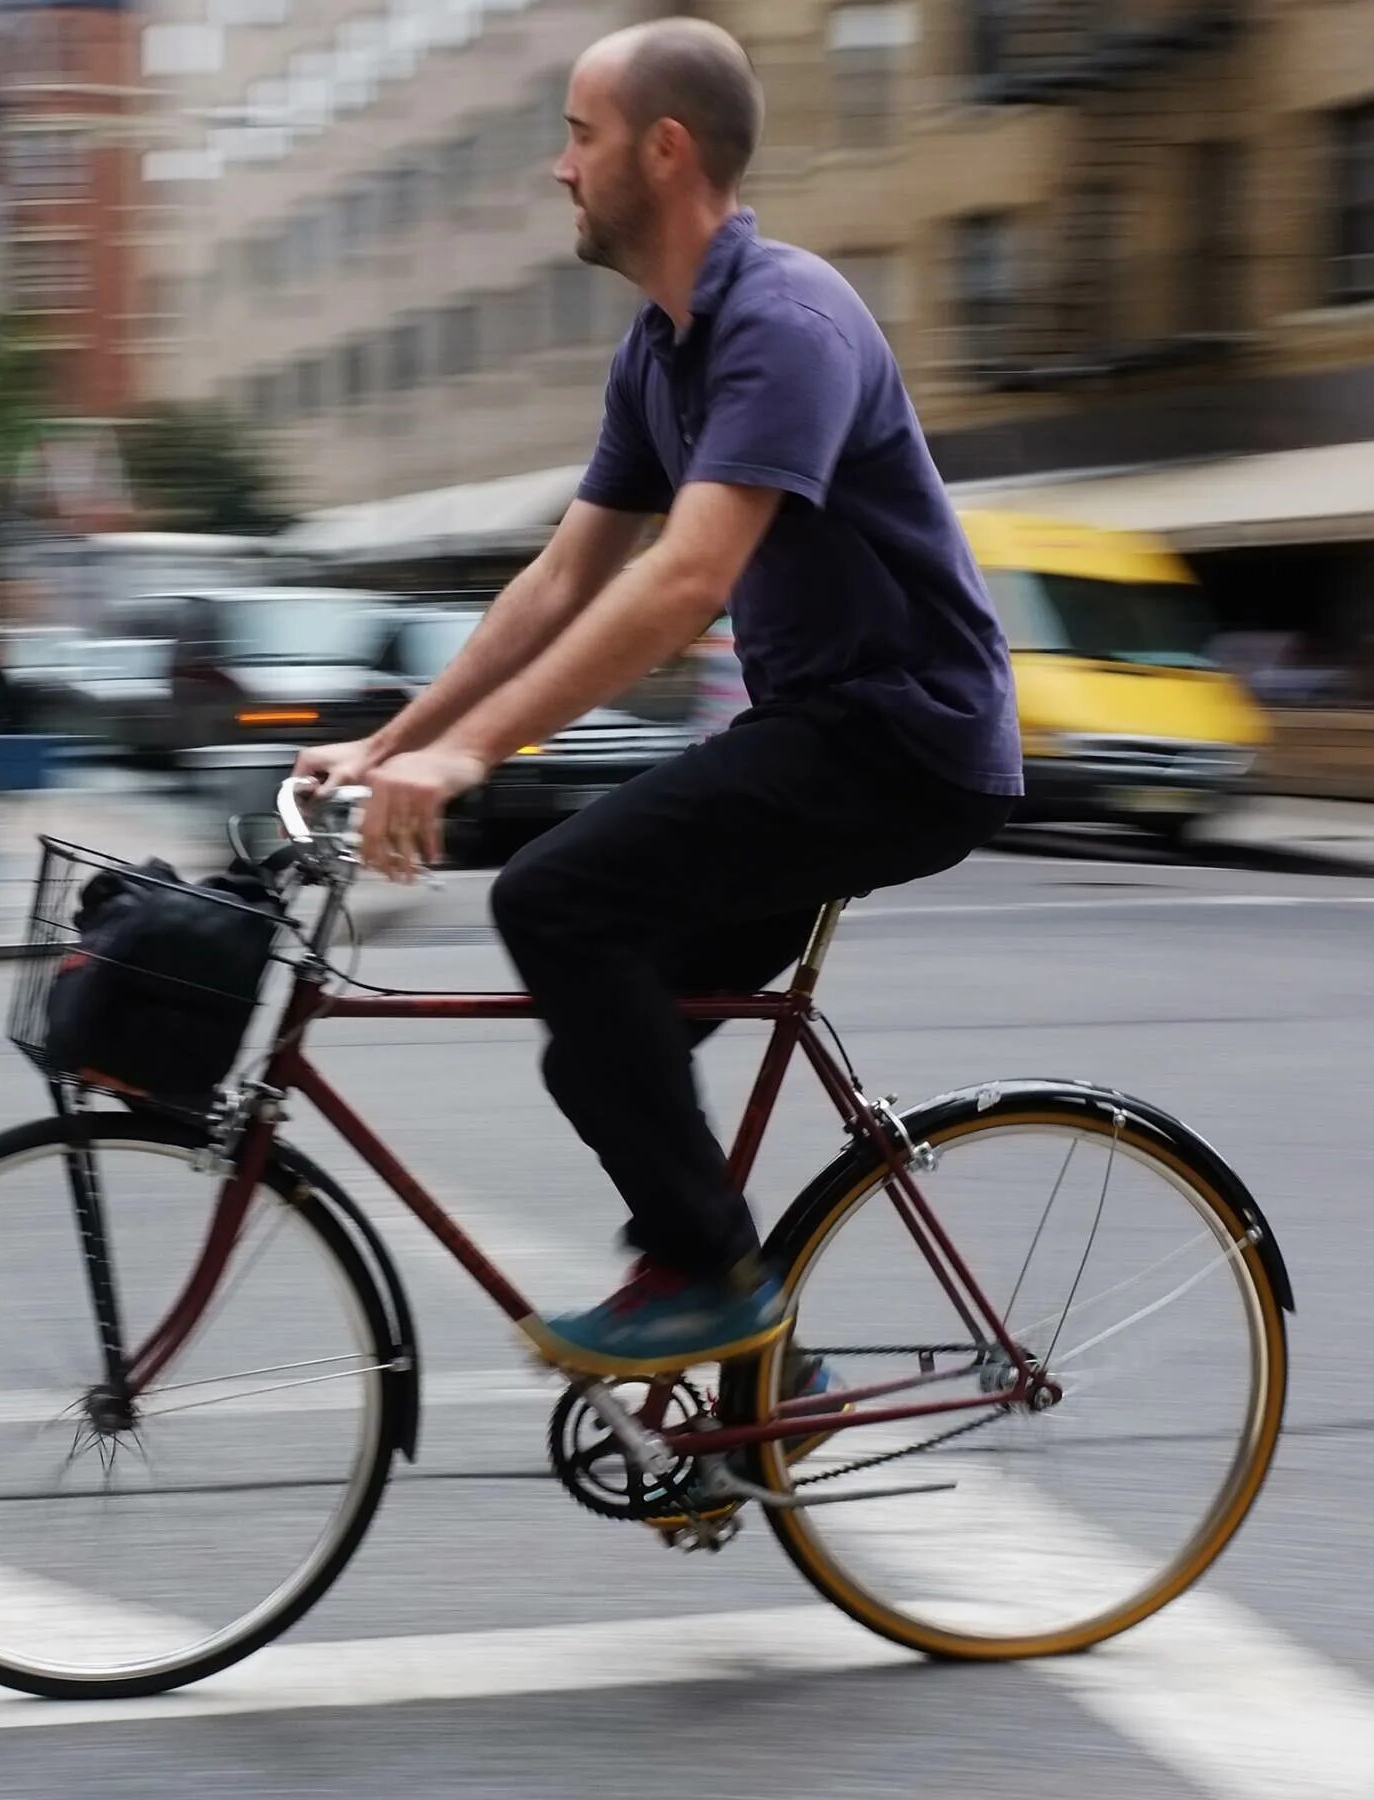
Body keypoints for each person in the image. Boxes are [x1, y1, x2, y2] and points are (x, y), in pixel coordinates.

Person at [294, 19, 1021, 1378]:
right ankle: (756, 1371)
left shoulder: (784, 322)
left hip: (903, 738)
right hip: (819, 730)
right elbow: (563, 579)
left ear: (661, 149)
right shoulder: (659, 348)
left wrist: (467, 763)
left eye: (578, 134)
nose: (558, 168)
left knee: (552, 899)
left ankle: (713, 1289)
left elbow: (686, 578)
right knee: (597, 1043)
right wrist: (393, 741)